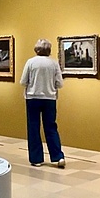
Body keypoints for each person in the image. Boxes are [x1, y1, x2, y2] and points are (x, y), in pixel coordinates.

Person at [19, 39, 65, 168]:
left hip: (32, 98)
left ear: (36, 49)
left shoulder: (31, 62)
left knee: (33, 128)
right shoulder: (53, 63)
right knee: (51, 127)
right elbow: (60, 83)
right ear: (49, 50)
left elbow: (23, 81)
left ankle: (36, 158)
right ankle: (58, 157)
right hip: (50, 99)